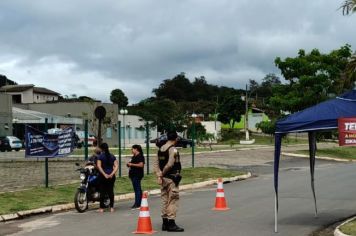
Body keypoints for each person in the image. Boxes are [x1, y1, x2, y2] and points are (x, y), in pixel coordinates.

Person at [154, 131, 184, 232]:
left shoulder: (160, 149)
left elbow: (156, 164)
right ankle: (171, 223)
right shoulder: (173, 149)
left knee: (164, 200)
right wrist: (162, 173)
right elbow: (170, 164)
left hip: (163, 179)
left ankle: (165, 223)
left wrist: (159, 175)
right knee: (173, 199)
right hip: (171, 178)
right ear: (175, 139)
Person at [96, 142, 118, 213]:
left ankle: (101, 208)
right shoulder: (112, 156)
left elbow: (99, 166)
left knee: (102, 191)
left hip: (103, 176)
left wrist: (104, 174)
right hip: (111, 176)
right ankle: (111, 207)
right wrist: (112, 174)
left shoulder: (100, 156)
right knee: (110, 191)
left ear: (101, 149)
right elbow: (116, 166)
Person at [127, 144, 145, 209]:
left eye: (132, 149)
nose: (131, 150)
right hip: (133, 175)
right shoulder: (134, 156)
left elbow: (141, 165)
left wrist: (131, 164)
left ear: (136, 149)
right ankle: (139, 202)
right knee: (137, 189)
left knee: (137, 189)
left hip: (137, 175)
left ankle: (137, 204)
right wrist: (129, 164)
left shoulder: (140, 156)